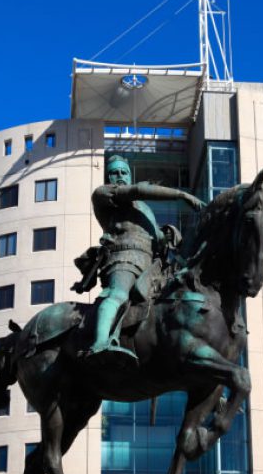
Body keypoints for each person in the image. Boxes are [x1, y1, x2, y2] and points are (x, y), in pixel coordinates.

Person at [81, 154, 204, 363]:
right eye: (114, 172)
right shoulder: (103, 194)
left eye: (124, 172)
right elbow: (138, 190)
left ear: (130, 175)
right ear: (108, 177)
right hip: (123, 259)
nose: (120, 176)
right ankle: (99, 344)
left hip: (150, 268)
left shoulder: (145, 209)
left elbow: (157, 238)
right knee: (118, 294)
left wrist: (167, 236)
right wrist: (181, 195)